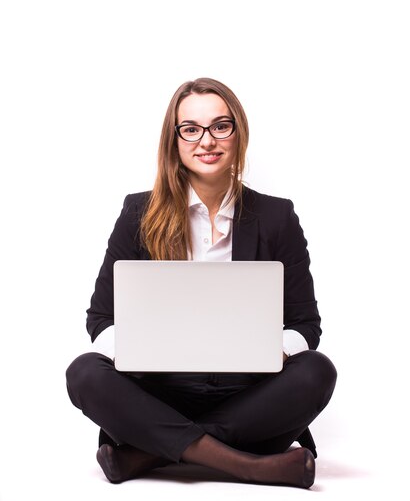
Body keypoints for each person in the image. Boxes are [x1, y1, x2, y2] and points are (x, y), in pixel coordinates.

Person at [66, 78, 337, 489]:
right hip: (159, 392)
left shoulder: (277, 217)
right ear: (174, 139)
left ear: (238, 132)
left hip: (247, 394)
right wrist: (136, 353)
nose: (206, 140)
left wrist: (272, 351)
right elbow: (100, 320)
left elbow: (306, 325)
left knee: (317, 371)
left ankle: (148, 453)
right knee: (85, 373)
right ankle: (248, 465)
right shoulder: (138, 212)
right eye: (190, 129)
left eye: (220, 126)